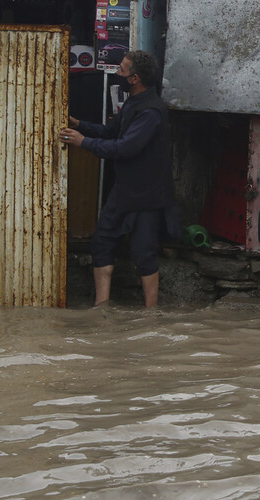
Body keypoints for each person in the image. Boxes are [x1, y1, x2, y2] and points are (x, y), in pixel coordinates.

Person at [59, 50, 177, 307]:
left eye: (122, 70)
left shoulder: (151, 111)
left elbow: (124, 148)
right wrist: (79, 124)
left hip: (146, 195)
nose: (117, 73)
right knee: (102, 243)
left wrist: (84, 143)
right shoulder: (134, 102)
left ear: (134, 78)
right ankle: (102, 307)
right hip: (124, 191)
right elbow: (111, 131)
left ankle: (151, 314)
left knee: (144, 253)